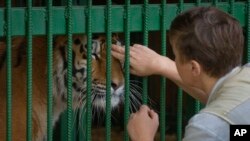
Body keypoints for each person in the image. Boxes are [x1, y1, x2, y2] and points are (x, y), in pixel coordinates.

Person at [111, 6, 250, 141]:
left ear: (194, 68)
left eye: (175, 56)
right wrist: (159, 64)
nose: (174, 60)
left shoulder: (207, 128)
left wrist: (142, 137)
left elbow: (221, 125)